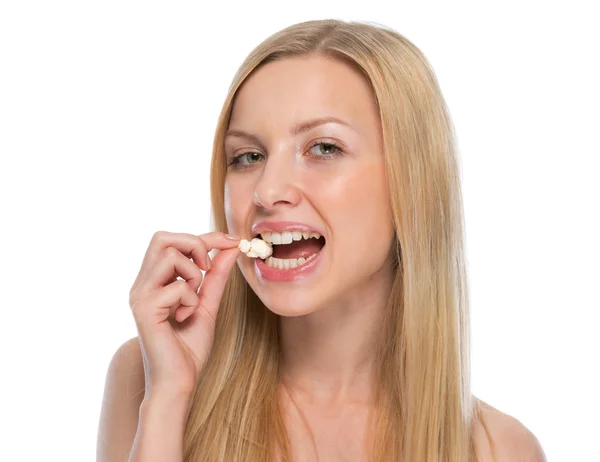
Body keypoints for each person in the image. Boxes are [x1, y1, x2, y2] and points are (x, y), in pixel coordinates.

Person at [97, 19, 546, 462]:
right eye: (248, 156)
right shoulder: (149, 378)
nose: (267, 190)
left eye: (324, 148)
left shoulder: (499, 451)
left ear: (413, 183)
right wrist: (169, 396)